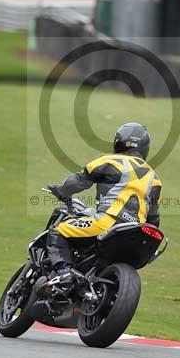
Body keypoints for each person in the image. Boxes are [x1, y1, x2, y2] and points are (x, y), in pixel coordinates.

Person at [41, 123, 162, 293]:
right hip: (136, 232)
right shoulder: (154, 178)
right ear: (145, 148)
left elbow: (79, 181)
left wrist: (61, 191)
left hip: (107, 222)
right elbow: (154, 216)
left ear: (118, 142)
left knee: (58, 231)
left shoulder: (110, 160)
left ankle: (64, 272)